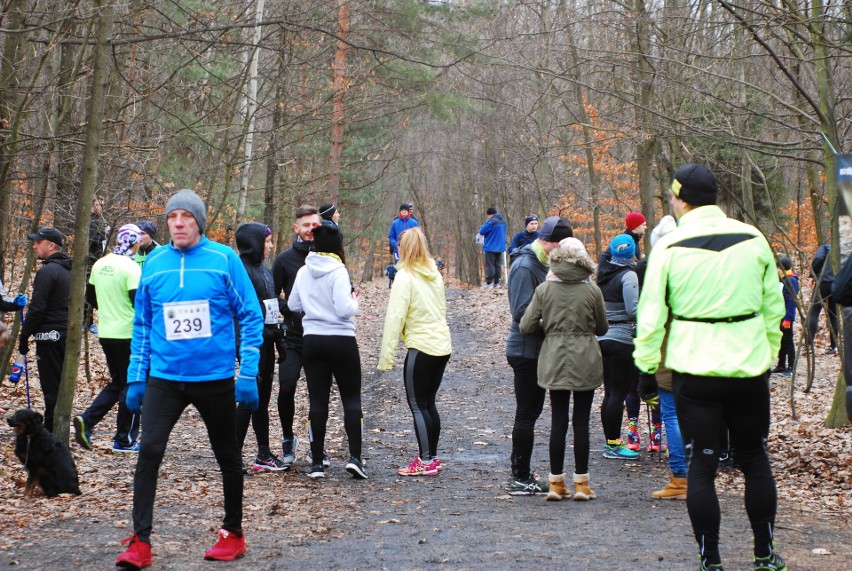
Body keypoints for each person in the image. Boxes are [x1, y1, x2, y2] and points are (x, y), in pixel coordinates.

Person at [634, 163, 786, 571]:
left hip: (694, 370)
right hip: (748, 368)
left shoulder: (668, 247)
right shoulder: (753, 238)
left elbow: (650, 319)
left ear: (680, 200)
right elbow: (774, 306)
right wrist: (767, 351)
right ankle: (764, 554)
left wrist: (647, 370)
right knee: (754, 458)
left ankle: (711, 559)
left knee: (702, 463)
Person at [116, 189, 263, 568]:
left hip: (214, 378)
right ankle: (140, 542)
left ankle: (233, 533)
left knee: (227, 454)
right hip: (165, 377)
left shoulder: (223, 260)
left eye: (186, 217)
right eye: (172, 217)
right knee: (148, 451)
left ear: (199, 221)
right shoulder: (155, 264)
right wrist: (136, 377)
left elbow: (250, 315)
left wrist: (247, 372)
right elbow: (144, 324)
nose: (178, 223)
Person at [519, 237, 607, 502]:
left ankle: (556, 484)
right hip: (585, 358)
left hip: (554, 357)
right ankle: (581, 484)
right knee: (581, 422)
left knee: (558, 421)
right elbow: (602, 328)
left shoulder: (545, 289)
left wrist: (549, 323)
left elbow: (525, 325)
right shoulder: (592, 291)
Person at [288, 222, 366, 480]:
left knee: (318, 402)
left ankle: (317, 463)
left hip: (313, 341)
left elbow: (292, 304)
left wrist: (314, 309)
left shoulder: (303, 271)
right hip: (341, 340)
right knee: (351, 400)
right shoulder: (338, 270)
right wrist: (355, 300)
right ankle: (355, 458)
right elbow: (344, 308)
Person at [504, 215, 573, 495]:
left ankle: (521, 472)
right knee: (527, 414)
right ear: (549, 242)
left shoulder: (543, 263)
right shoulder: (524, 266)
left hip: (537, 349)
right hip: (524, 351)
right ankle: (520, 477)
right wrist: (558, 323)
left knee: (530, 412)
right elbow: (521, 314)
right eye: (562, 246)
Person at [378, 228, 452, 476]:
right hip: (442, 345)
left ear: (403, 247)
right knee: (429, 403)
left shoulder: (405, 276)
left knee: (417, 404)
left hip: (421, 346)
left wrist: (386, 358)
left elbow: (394, 317)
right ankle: (432, 456)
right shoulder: (435, 273)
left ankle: (426, 460)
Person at [74, 224, 143, 453]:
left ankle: (88, 420)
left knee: (118, 383)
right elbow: (139, 304)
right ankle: (124, 440)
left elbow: (91, 298)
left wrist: (109, 309)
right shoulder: (132, 269)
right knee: (131, 385)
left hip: (106, 333)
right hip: (129, 334)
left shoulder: (100, 264)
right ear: (134, 243)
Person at [234, 222, 288, 471]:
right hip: (251, 344)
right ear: (254, 243)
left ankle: (263, 454)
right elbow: (241, 312)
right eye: (266, 241)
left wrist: (281, 334)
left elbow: (271, 304)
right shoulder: (241, 271)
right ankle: (232, 455)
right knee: (248, 400)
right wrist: (241, 349)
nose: (270, 246)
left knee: (262, 400)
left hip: (268, 342)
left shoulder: (264, 270)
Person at [271, 205, 322, 468]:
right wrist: (290, 308)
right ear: (296, 228)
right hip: (293, 337)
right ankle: (288, 437)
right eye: (306, 225)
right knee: (287, 387)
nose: (311, 229)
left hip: (321, 338)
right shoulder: (284, 259)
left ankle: (317, 444)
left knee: (318, 393)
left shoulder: (330, 256)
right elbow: (272, 294)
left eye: (315, 225)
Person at [643, 215, 688, 500]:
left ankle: (681, 480)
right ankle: (698, 475)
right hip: (700, 354)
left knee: (672, 416)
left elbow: (651, 323)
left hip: (670, 357)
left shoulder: (660, 277)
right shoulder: (698, 271)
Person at [18, 227, 71, 433]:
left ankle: (52, 436)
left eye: (38, 242)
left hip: (49, 336)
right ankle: (57, 431)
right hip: (65, 334)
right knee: (59, 388)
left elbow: (38, 308)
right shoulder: (69, 270)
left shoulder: (47, 271)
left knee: (52, 391)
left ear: (50, 245)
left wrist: (24, 336)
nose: (34, 246)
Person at [596, 234, 641, 460]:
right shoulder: (628, 276)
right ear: (631, 252)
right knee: (618, 394)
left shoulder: (603, 273)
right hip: (622, 339)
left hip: (602, 338)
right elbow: (633, 310)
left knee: (609, 394)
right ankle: (614, 446)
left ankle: (610, 442)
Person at [807, 241, 837, 355]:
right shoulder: (840, 249)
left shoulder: (825, 247)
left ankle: (809, 345)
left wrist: (812, 275)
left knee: (814, 312)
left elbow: (818, 259)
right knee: (834, 314)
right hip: (836, 283)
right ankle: (834, 346)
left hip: (823, 281)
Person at [772, 256, 799, 376]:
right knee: (781, 340)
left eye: (778, 267)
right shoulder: (782, 279)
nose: (777, 270)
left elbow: (791, 301)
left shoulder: (791, 280)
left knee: (788, 340)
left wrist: (788, 318)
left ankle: (791, 367)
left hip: (786, 317)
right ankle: (781, 365)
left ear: (781, 268)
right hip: (779, 315)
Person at [479, 207, 507, 288]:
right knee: (497, 265)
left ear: (489, 215)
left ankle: (489, 283)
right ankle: (497, 283)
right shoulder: (503, 221)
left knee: (490, 265)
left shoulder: (491, 221)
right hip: (501, 247)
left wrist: (487, 223)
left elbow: (482, 231)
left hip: (491, 246)